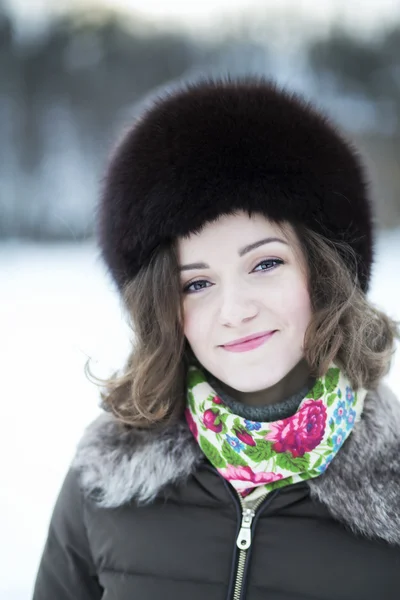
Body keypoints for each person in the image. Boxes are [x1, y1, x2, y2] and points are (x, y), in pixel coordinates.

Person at [32, 78, 400, 600]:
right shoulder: (104, 478)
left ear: (324, 274)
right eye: (197, 283)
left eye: (265, 263)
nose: (235, 311)